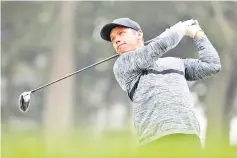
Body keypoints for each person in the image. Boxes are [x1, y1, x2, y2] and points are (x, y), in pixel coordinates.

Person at [100, 17, 221, 158]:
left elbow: (212, 65)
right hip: (154, 142)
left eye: (121, 33)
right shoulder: (123, 64)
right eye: (113, 38)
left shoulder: (176, 63)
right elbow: (158, 46)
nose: (116, 40)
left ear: (139, 34)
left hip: (189, 137)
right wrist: (179, 29)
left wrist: (198, 34)